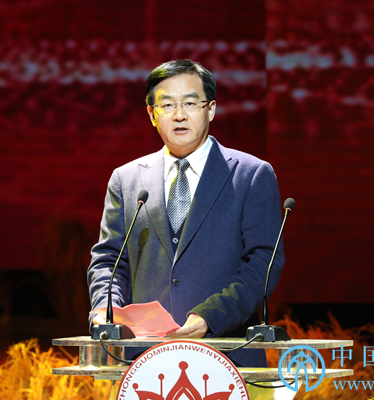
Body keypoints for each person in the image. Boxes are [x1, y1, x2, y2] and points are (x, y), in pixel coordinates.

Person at [87, 59, 284, 367]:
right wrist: (105, 309)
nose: (179, 115)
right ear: (152, 114)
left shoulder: (251, 175)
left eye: (190, 103)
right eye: (167, 105)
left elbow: (263, 263)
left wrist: (211, 317)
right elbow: (109, 260)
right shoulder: (126, 180)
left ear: (211, 109)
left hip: (228, 356)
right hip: (144, 360)